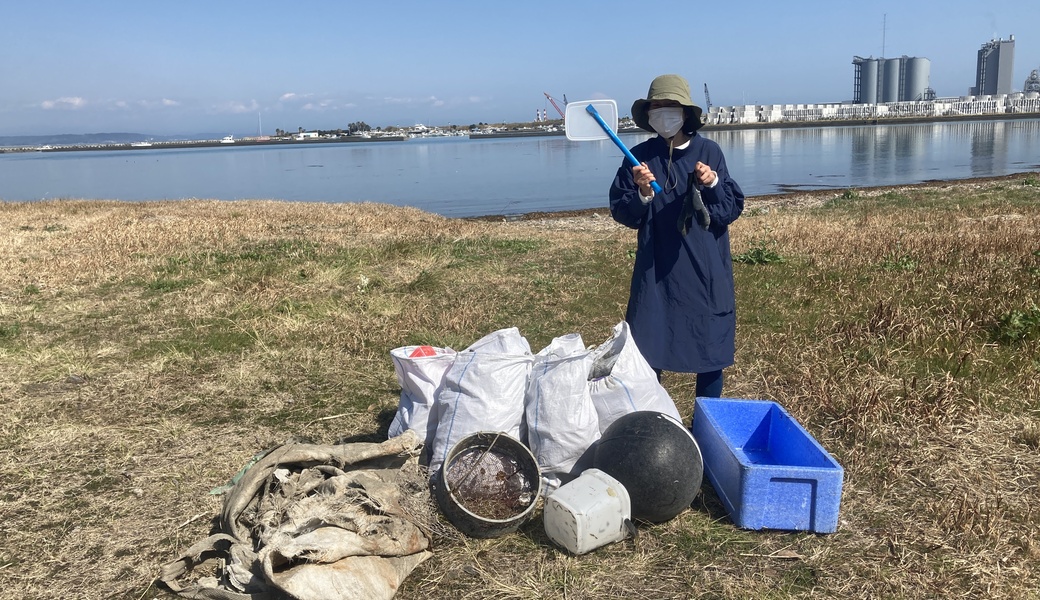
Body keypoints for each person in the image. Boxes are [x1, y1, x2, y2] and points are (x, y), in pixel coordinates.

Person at [609, 74, 744, 404]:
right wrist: (642, 192)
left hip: (705, 269)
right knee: (649, 350)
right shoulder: (637, 158)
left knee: (710, 351)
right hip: (655, 272)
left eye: (670, 105)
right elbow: (624, 213)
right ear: (648, 113)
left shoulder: (709, 152)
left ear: (685, 112)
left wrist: (712, 183)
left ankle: (706, 423)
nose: (663, 111)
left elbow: (728, 210)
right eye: (656, 106)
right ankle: (653, 420)